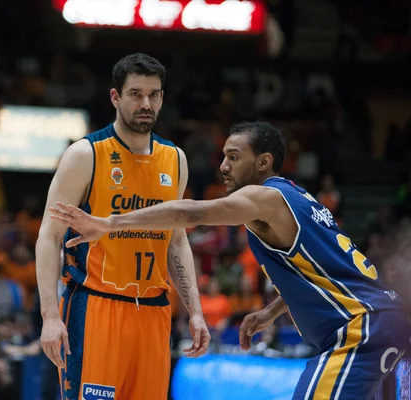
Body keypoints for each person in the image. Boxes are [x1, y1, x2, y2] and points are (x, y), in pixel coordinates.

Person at [50, 121, 411, 400]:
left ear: (263, 162)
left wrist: (110, 223)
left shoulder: (264, 199)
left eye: (234, 157)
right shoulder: (302, 199)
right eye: (223, 156)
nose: (223, 166)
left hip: (360, 331)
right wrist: (272, 311)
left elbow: (191, 212)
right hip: (388, 322)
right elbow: (331, 276)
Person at [36, 53, 210, 400]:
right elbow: (49, 236)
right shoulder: (86, 155)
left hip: (154, 311)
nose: (145, 103)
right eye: (135, 94)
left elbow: (176, 242)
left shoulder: (175, 159)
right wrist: (50, 317)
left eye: (154, 94)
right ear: (115, 97)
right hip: (96, 307)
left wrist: (196, 311)